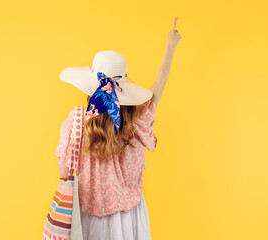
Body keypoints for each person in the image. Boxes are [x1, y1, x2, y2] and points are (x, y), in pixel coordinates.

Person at [55, 17, 181, 240]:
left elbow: (64, 172)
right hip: (132, 217)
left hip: (89, 219)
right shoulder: (137, 123)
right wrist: (170, 47)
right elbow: (158, 87)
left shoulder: (75, 123)